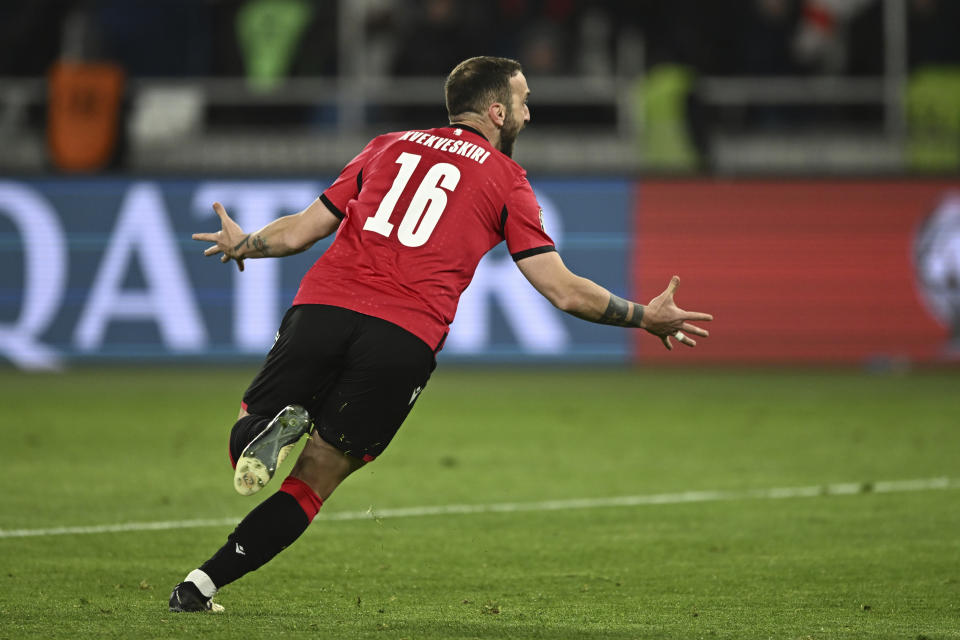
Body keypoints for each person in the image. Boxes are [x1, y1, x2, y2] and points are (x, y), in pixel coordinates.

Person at [169, 56, 712, 613]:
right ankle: (199, 586)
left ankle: (269, 429)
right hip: (404, 336)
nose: (529, 112)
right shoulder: (507, 180)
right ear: (497, 111)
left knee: (244, 437)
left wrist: (246, 243)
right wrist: (644, 316)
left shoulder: (387, 145)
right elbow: (564, 291)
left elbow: (301, 232)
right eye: (523, 101)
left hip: (323, 308)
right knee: (315, 479)